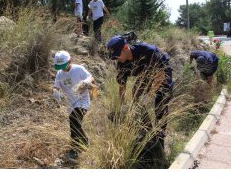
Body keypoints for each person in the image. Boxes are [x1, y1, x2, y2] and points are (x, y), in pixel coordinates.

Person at [106, 35, 174, 168]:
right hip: (146, 73)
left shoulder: (148, 51)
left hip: (162, 72)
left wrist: (150, 96)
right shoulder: (121, 65)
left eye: (117, 55)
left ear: (126, 48)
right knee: (136, 95)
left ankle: (160, 140)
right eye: (113, 57)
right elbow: (122, 88)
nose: (116, 59)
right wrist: (123, 107)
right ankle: (147, 132)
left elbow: (160, 74)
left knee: (160, 105)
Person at [53, 51, 94, 159]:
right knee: (76, 123)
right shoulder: (59, 74)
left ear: (70, 61)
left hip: (83, 100)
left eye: (64, 66)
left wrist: (86, 82)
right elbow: (56, 86)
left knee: (74, 120)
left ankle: (75, 148)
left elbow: (91, 77)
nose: (62, 68)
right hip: (71, 104)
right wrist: (55, 91)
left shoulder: (78, 69)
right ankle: (85, 141)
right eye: (60, 66)